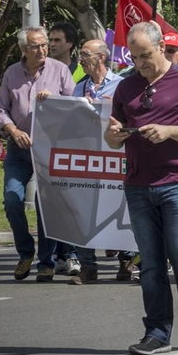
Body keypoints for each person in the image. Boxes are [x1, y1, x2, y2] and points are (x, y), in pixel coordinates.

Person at [106, 20, 178, 355]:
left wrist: (169, 131)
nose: (140, 63)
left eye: (145, 55)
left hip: (177, 182)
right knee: (151, 263)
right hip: (138, 184)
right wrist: (114, 136)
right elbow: (111, 137)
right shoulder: (125, 87)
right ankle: (157, 331)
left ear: (161, 47)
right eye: (134, 57)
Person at [0, 26, 76, 283]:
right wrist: (12, 130)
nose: (42, 49)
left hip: (50, 149)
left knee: (46, 207)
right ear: (23, 50)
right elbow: (0, 109)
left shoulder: (59, 70)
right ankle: (25, 252)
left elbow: (76, 108)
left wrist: (53, 100)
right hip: (19, 148)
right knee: (11, 199)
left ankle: (46, 262)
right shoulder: (11, 73)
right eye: (36, 46)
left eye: (44, 45)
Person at [70, 39, 126, 284]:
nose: (80, 58)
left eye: (85, 54)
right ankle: (88, 267)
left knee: (120, 208)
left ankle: (126, 261)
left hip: (116, 158)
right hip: (89, 158)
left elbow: (130, 113)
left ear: (101, 57)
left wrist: (105, 107)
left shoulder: (122, 85)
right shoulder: (79, 87)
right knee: (85, 211)